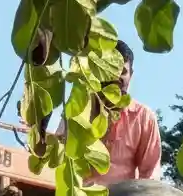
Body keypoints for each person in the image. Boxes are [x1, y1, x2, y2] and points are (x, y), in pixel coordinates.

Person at [51, 40, 161, 186]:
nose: (116, 78)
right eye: (111, 71)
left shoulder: (143, 117)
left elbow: (150, 176)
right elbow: (60, 151)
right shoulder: (79, 107)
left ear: (131, 75)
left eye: (123, 72)